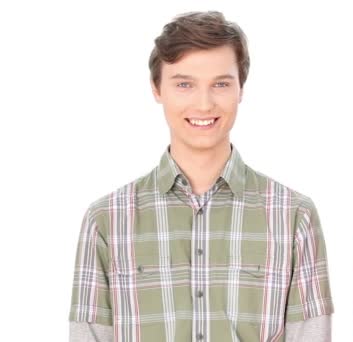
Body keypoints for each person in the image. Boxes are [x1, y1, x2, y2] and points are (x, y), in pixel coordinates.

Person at [69, 11, 333, 342]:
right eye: (184, 84)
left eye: (220, 84)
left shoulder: (295, 215)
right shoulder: (106, 219)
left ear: (241, 89)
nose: (204, 104)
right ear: (157, 89)